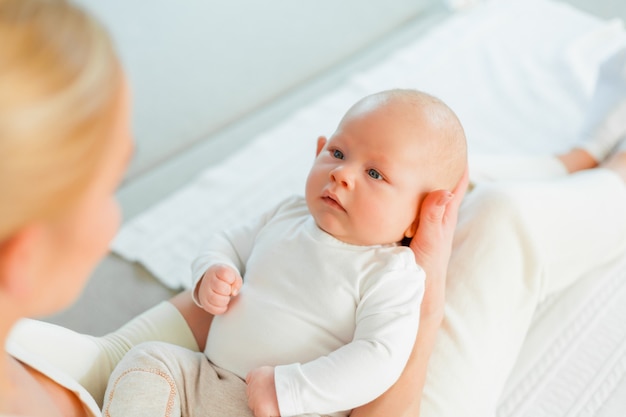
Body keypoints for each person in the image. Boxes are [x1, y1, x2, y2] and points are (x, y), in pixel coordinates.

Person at [2, 0, 625, 416]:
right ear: (24, 252)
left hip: (215, 375)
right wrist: (427, 293)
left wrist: (213, 278)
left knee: (428, 178)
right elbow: (375, 361)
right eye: (112, 182)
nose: (116, 215)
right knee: (502, 218)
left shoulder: (23, 353)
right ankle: (610, 172)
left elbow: (143, 341)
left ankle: (578, 158)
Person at [101, 89, 468, 417]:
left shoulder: (391, 273)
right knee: (147, 361)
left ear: (417, 220)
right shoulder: (287, 214)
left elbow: (379, 358)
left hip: (289, 408)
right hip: (202, 378)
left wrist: (290, 390)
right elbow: (227, 242)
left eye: (375, 173)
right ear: (318, 150)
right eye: (338, 153)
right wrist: (213, 269)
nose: (342, 173)